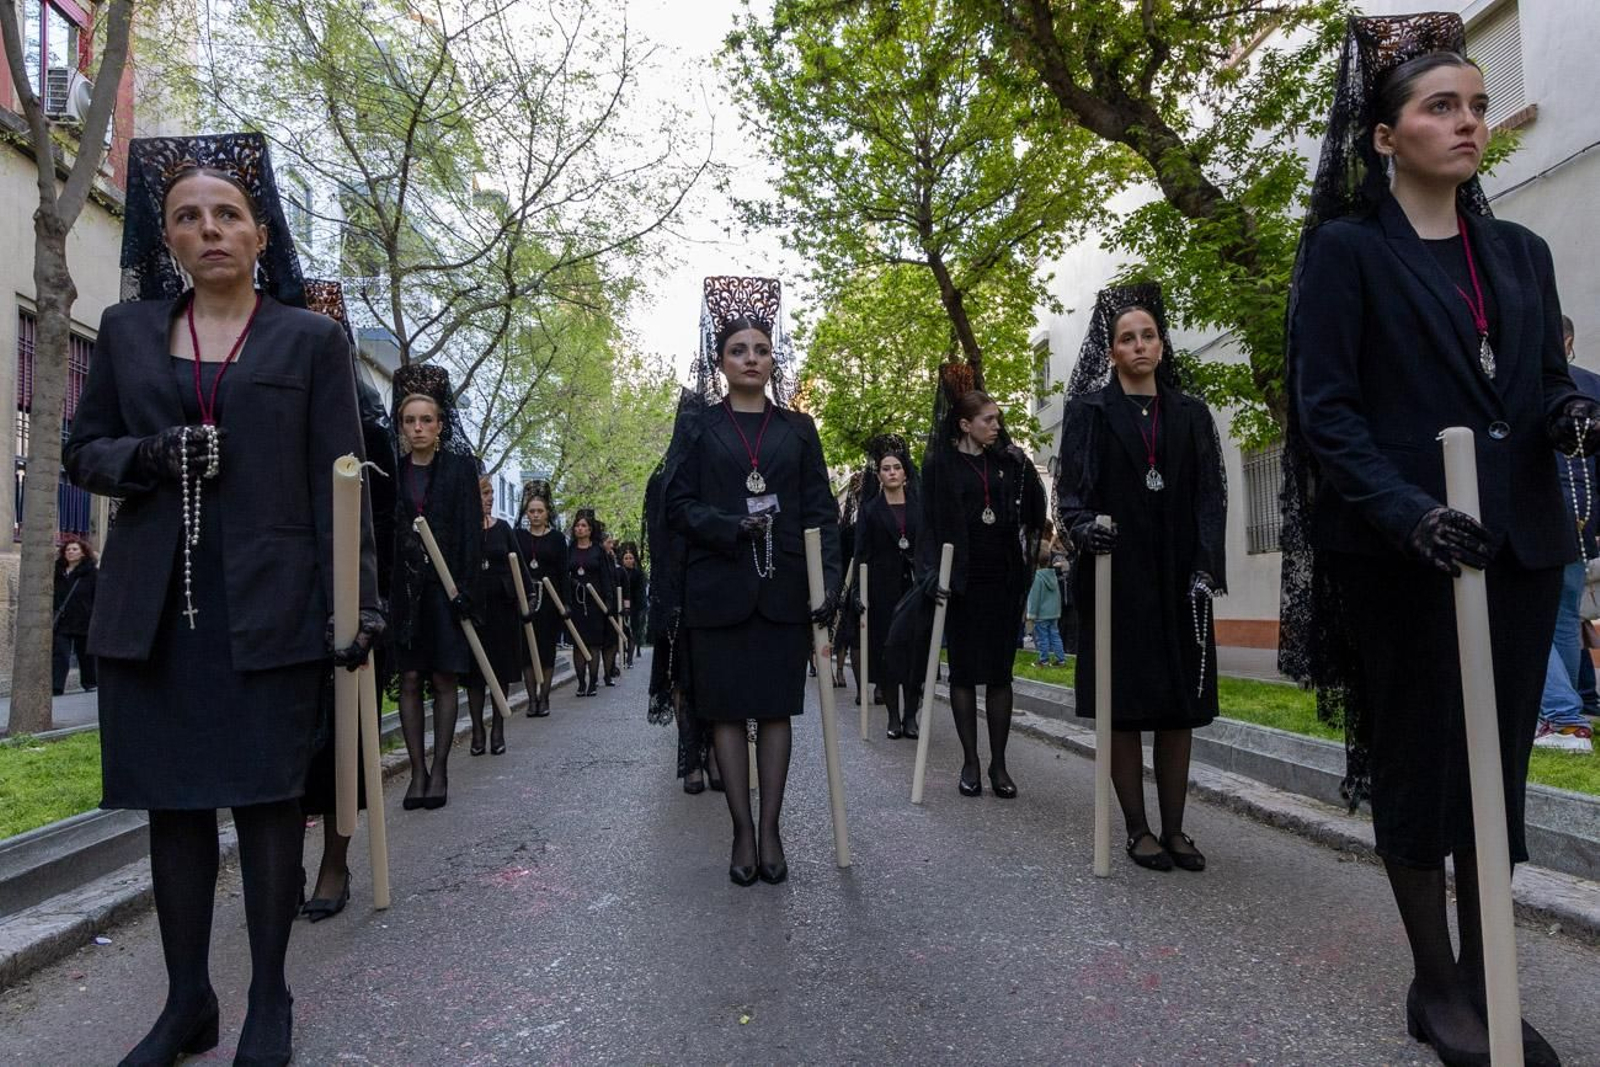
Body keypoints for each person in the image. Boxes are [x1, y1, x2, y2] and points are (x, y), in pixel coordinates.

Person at [1280, 15, 1586, 1063]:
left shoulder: (1521, 253)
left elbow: (1542, 382)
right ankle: (1437, 984)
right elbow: (1327, 413)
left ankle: (1491, 971)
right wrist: (1408, 511)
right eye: (1441, 106)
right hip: (1403, 552)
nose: (1469, 122)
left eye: (1478, 105)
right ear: (1383, 136)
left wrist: (1569, 415)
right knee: (1420, 763)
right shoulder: (1346, 252)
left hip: (1519, 546)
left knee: (1497, 770)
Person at [64, 133, 380, 1067]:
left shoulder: (310, 339)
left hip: (272, 607)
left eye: (228, 214)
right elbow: (83, 453)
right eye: (188, 217)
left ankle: (269, 996)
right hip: (153, 611)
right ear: (166, 236)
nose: (210, 230)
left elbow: (342, 481)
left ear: (259, 232)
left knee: (268, 803)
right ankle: (187, 1000)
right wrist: (151, 454)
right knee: (175, 807)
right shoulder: (127, 332)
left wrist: (355, 604)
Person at [659, 275, 840, 884]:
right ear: (721, 361)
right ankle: (740, 830)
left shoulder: (798, 429)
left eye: (762, 350)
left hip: (783, 588)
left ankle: (770, 830)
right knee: (729, 713)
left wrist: (827, 584)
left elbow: (821, 512)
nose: (752, 359)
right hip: (717, 589)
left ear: (772, 359)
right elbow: (677, 506)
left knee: (776, 711)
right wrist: (730, 525)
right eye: (739, 350)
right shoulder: (698, 427)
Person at [1056, 283, 1228, 872]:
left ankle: (1176, 828)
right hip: (1117, 575)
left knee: (1179, 706)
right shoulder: (1089, 413)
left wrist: (1206, 563)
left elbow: (1211, 496)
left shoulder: (1191, 413)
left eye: (1148, 335)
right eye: (1127, 338)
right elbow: (1071, 494)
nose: (1139, 346)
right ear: (1111, 351)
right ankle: (1137, 829)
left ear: (1161, 344)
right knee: (1122, 704)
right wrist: (1084, 529)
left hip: (1180, 576)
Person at [296, 278, 397, 924]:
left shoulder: (370, 426)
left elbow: (380, 527)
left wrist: (369, 609)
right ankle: (281, 861)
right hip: (280, 597)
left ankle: (335, 861)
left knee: (340, 742)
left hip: (350, 604)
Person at [912, 365, 1046, 799]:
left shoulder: (1004, 463)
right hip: (963, 583)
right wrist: (931, 574)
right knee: (965, 674)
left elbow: (1034, 513)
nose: (996, 426)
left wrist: (1025, 467)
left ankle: (999, 764)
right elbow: (928, 524)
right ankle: (970, 761)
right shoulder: (940, 466)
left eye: (998, 419)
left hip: (1002, 581)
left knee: (1000, 675)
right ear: (965, 424)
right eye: (989, 420)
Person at [390, 364, 482, 811]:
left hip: (446, 592)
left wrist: (464, 589)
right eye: (410, 420)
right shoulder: (392, 472)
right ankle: (417, 772)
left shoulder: (459, 470)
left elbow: (470, 533)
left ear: (441, 424)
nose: (418, 428)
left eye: (426, 419)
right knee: (410, 677)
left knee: (444, 676)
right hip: (407, 595)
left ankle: (441, 769)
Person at [1535, 315, 1600, 753]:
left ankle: (1561, 715)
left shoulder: (1528, 382)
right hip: (1581, 513)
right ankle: (1571, 709)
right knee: (1563, 617)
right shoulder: (1591, 385)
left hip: (1539, 510)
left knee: (1526, 614)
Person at [643, 464, 719, 793]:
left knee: (714, 677)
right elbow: (658, 543)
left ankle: (714, 753)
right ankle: (691, 760)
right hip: (675, 592)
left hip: (714, 588)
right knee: (680, 676)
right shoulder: (662, 479)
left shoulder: (716, 469)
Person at [850, 436, 923, 738]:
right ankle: (893, 716)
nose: (892, 472)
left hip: (916, 590)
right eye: (885, 468)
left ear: (905, 473)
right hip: (882, 591)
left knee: (915, 655)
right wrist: (857, 590)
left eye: (896, 467)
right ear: (878, 475)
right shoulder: (870, 510)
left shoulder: (921, 508)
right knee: (889, 654)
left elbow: (929, 546)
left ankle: (911, 716)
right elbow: (861, 552)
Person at [464, 475, 525, 756]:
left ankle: (498, 728)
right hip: (475, 610)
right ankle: (477, 729)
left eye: (491, 493)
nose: (490, 498)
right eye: (484, 493)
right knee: (475, 674)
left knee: (499, 670)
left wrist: (526, 599)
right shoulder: (463, 530)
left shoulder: (503, 529)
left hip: (503, 609)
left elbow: (518, 564)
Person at [514, 480, 566, 717]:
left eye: (540, 511)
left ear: (547, 513)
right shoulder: (518, 536)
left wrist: (564, 604)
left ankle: (544, 697)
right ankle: (532, 699)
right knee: (526, 652)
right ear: (526, 513)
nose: (535, 515)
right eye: (532, 511)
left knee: (546, 651)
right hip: (525, 600)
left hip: (549, 603)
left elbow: (563, 572)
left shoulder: (557, 539)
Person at [567, 511, 615, 696]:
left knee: (593, 643)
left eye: (583, 526)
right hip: (576, 602)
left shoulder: (598, 551)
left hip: (595, 602)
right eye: (577, 526)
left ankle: (593, 682)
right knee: (578, 643)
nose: (580, 529)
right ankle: (581, 682)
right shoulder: (570, 549)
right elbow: (564, 573)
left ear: (590, 530)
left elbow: (605, 576)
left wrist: (608, 600)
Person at [51, 535, 98, 695]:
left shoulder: (92, 573)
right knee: (60, 653)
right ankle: (56, 686)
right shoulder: (57, 571)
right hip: (62, 619)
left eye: (74, 549)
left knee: (85, 654)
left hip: (84, 619)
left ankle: (90, 682)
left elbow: (97, 596)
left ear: (83, 552)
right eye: (68, 549)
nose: (70, 552)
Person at [1025, 547, 1067, 669]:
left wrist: (1031, 614)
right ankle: (1061, 660)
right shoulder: (1053, 575)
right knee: (1055, 636)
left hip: (1041, 614)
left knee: (1042, 638)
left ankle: (1043, 661)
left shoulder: (1037, 577)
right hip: (1053, 613)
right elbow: (1057, 595)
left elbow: (1034, 597)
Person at [619, 542, 647, 666]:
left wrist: (638, 608)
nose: (628, 560)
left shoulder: (638, 574)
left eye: (630, 558)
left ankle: (629, 659)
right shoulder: (619, 572)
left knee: (632, 633)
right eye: (626, 558)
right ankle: (623, 654)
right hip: (620, 605)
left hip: (635, 607)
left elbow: (640, 592)